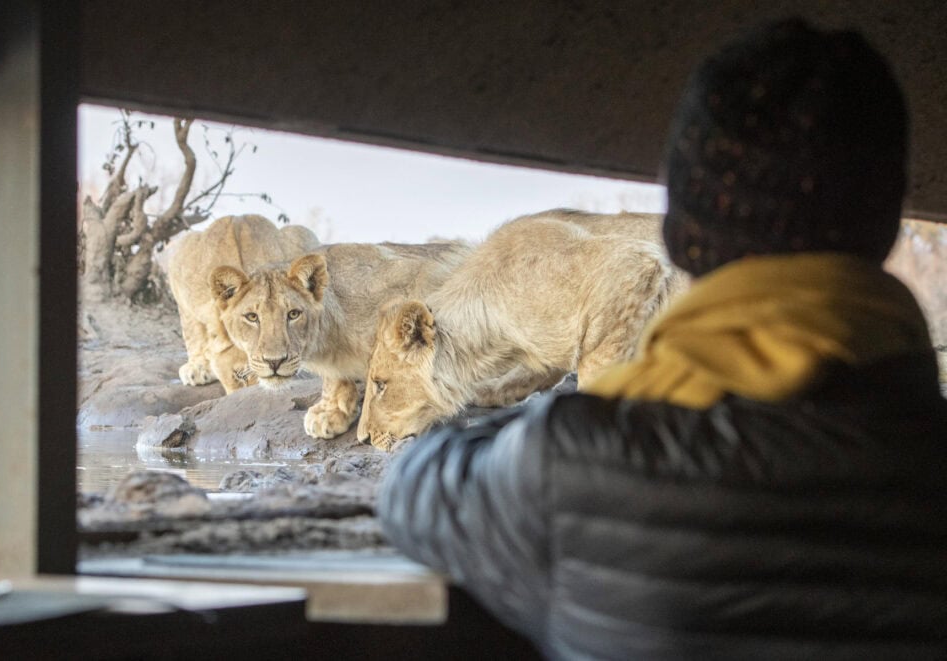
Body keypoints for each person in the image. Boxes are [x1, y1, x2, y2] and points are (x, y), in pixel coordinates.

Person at [377, 18, 947, 660]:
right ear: (886, 222)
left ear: (683, 234)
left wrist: (544, 413)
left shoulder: (579, 458)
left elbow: (414, 485)